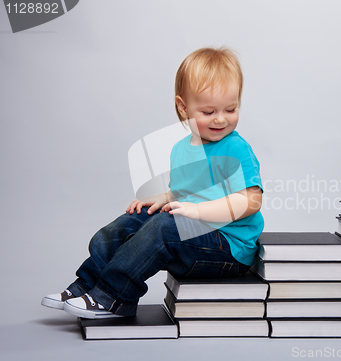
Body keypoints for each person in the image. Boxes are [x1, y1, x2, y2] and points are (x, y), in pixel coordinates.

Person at [41, 47, 264, 319]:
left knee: (164, 227)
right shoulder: (183, 149)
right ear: (183, 107)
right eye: (208, 111)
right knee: (129, 222)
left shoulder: (236, 149)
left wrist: (197, 212)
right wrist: (165, 198)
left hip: (227, 249)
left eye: (231, 109)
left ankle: (114, 297)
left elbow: (251, 200)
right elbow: (188, 191)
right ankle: (87, 285)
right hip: (192, 235)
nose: (220, 118)